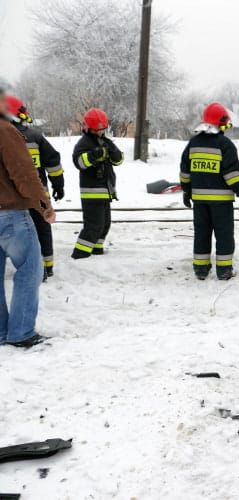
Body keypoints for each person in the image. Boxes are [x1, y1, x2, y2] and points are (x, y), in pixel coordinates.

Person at [0, 88, 56, 348]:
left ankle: (2, 331)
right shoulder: (6, 131)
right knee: (30, 270)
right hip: (10, 214)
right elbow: (24, 174)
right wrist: (43, 204)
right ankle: (21, 332)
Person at [180, 102, 239, 280]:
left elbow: (185, 172)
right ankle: (224, 270)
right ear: (221, 123)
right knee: (224, 235)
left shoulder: (193, 144)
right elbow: (232, 175)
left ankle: (201, 270)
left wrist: (187, 192)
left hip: (199, 201)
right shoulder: (225, 145)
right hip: (221, 202)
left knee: (201, 233)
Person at [5, 94, 64, 280]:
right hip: (38, 196)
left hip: (10, 201)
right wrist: (58, 185)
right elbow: (53, 162)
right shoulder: (35, 136)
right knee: (42, 230)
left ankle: (25, 267)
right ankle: (47, 267)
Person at [71, 108, 123, 259]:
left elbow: (118, 161)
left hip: (105, 190)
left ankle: (96, 250)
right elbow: (79, 162)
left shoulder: (105, 142)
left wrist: (114, 152)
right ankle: (80, 254)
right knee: (94, 226)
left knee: (105, 224)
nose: (100, 132)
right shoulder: (84, 143)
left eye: (103, 129)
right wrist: (94, 156)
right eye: (97, 130)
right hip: (92, 191)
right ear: (89, 128)